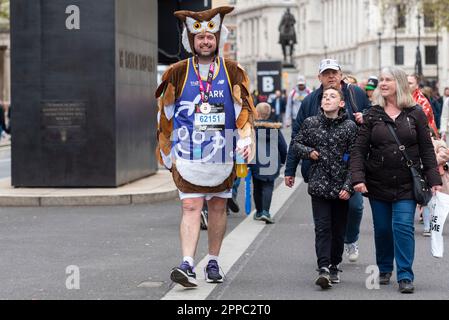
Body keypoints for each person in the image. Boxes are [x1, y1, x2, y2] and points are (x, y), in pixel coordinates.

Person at [154, 6, 256, 288]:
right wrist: (165, 150)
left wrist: (246, 140)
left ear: (217, 38)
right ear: (191, 40)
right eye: (200, 38)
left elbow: (243, 111)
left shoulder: (233, 71)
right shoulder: (176, 72)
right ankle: (187, 263)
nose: (206, 41)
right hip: (188, 154)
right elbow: (166, 114)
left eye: (210, 37)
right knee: (190, 206)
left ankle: (213, 260)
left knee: (218, 206)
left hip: (222, 153)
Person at [350, 66, 442, 294]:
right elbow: (359, 150)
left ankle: (405, 275)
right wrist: (358, 178)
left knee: (402, 227)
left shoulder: (416, 113)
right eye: (381, 79)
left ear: (399, 83)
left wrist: (434, 179)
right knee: (382, 229)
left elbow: (427, 149)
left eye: (387, 80)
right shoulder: (372, 114)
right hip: (378, 181)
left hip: (406, 182)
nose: (382, 83)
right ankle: (383, 268)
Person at [284, 59, 370, 263]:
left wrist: (364, 116)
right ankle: (326, 260)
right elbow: (297, 136)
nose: (331, 77)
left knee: (355, 207)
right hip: (319, 170)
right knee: (323, 220)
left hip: (349, 167)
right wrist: (290, 169)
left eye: (334, 73)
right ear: (319, 77)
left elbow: (372, 115)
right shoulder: (310, 101)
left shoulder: (355, 93)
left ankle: (350, 239)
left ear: (340, 75)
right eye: (326, 73)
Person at [290, 86, 357, 289]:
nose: (327, 99)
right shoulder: (311, 123)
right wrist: (309, 152)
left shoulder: (349, 127)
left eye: (332, 96)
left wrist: (349, 186)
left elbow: (355, 159)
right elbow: (296, 144)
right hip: (318, 185)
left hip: (341, 188)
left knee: (338, 230)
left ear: (341, 103)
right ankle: (323, 269)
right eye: (325, 97)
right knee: (322, 228)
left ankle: (334, 264)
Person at [249, 102, 287, 224]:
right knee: (268, 186)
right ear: (269, 113)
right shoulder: (275, 129)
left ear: (257, 113)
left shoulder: (252, 129)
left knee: (257, 187)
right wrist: (282, 161)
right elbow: (283, 146)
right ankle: (266, 211)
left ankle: (259, 211)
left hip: (256, 161)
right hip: (272, 161)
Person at [407, 74, 439, 138]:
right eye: (405, 83)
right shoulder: (400, 98)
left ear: (417, 86)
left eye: (410, 83)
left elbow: (422, 124)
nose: (406, 85)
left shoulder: (422, 101)